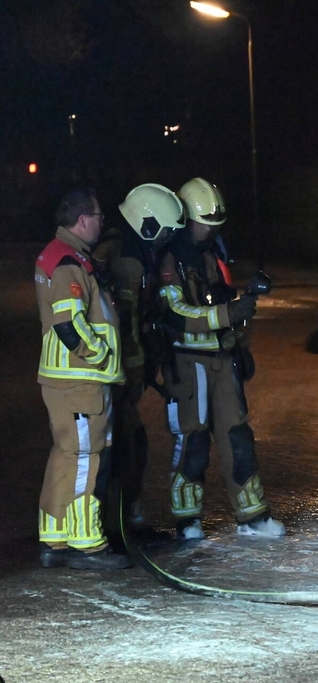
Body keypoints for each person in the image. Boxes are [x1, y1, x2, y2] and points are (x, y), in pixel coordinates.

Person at [157, 177, 285, 539]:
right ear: (186, 218)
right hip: (188, 362)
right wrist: (229, 315)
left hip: (222, 357)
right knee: (193, 441)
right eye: (205, 224)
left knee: (238, 436)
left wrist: (240, 340)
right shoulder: (170, 258)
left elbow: (220, 298)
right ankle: (187, 521)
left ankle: (253, 516)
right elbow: (176, 313)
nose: (210, 230)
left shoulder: (215, 251)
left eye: (215, 225)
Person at [34, 188, 131, 570]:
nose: (102, 222)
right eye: (98, 216)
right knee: (86, 460)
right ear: (82, 220)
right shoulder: (67, 262)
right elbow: (68, 324)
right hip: (79, 382)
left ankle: (54, 540)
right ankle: (85, 544)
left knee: (66, 456)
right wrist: (101, 354)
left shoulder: (62, 254)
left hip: (67, 381)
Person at [91, 184, 185, 540]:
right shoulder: (124, 259)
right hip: (113, 372)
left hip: (123, 370)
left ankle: (122, 519)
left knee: (131, 444)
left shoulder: (135, 253)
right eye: (163, 232)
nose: (165, 241)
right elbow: (124, 325)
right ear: (147, 225)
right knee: (123, 445)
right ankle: (112, 525)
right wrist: (132, 371)